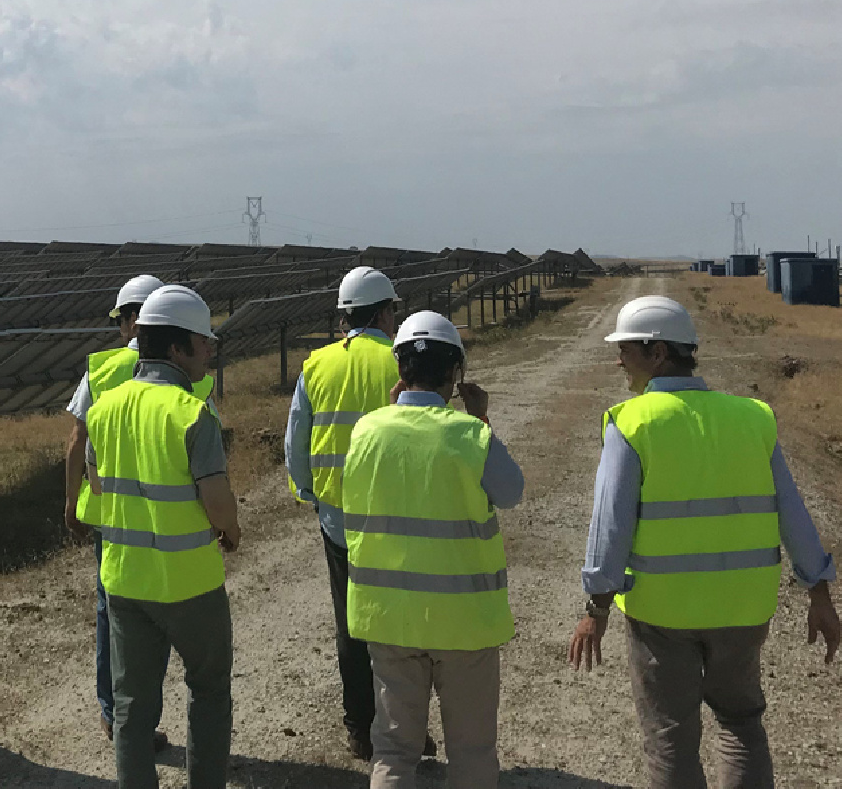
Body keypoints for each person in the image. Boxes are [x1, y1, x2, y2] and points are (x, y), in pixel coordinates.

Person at [568, 295, 840, 788]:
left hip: (662, 614)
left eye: (625, 349)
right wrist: (818, 592)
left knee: (670, 737)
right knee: (741, 724)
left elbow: (610, 525)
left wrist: (596, 607)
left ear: (657, 353)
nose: (618, 361)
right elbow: (793, 512)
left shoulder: (632, 422)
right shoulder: (753, 417)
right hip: (744, 607)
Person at [344, 310, 524, 788]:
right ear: (456, 373)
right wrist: (480, 417)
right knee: (472, 751)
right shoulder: (472, 435)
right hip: (465, 622)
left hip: (389, 619)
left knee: (393, 752)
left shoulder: (365, 431)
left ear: (399, 369)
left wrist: (390, 414)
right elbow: (511, 492)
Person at [85, 284, 241, 789]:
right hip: (189, 582)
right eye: (202, 342)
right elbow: (216, 500)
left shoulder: (105, 408)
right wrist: (231, 529)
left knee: (131, 705)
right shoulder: (192, 412)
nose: (209, 351)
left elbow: (97, 481)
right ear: (177, 348)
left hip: (125, 581)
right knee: (209, 690)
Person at [64, 274, 217, 750]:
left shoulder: (102, 370)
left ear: (133, 320)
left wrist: (71, 500)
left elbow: (78, 441)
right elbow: (207, 452)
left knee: (115, 614)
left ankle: (118, 715)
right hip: (177, 521)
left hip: (114, 516)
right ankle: (137, 717)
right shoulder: (194, 372)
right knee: (170, 619)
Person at [285, 265, 419, 760]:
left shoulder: (317, 365)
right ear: (384, 313)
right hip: (400, 517)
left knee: (351, 625)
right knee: (401, 624)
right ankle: (405, 725)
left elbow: (296, 439)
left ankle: (360, 728)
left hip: (339, 518)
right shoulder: (404, 361)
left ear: (345, 315)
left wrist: (309, 491)